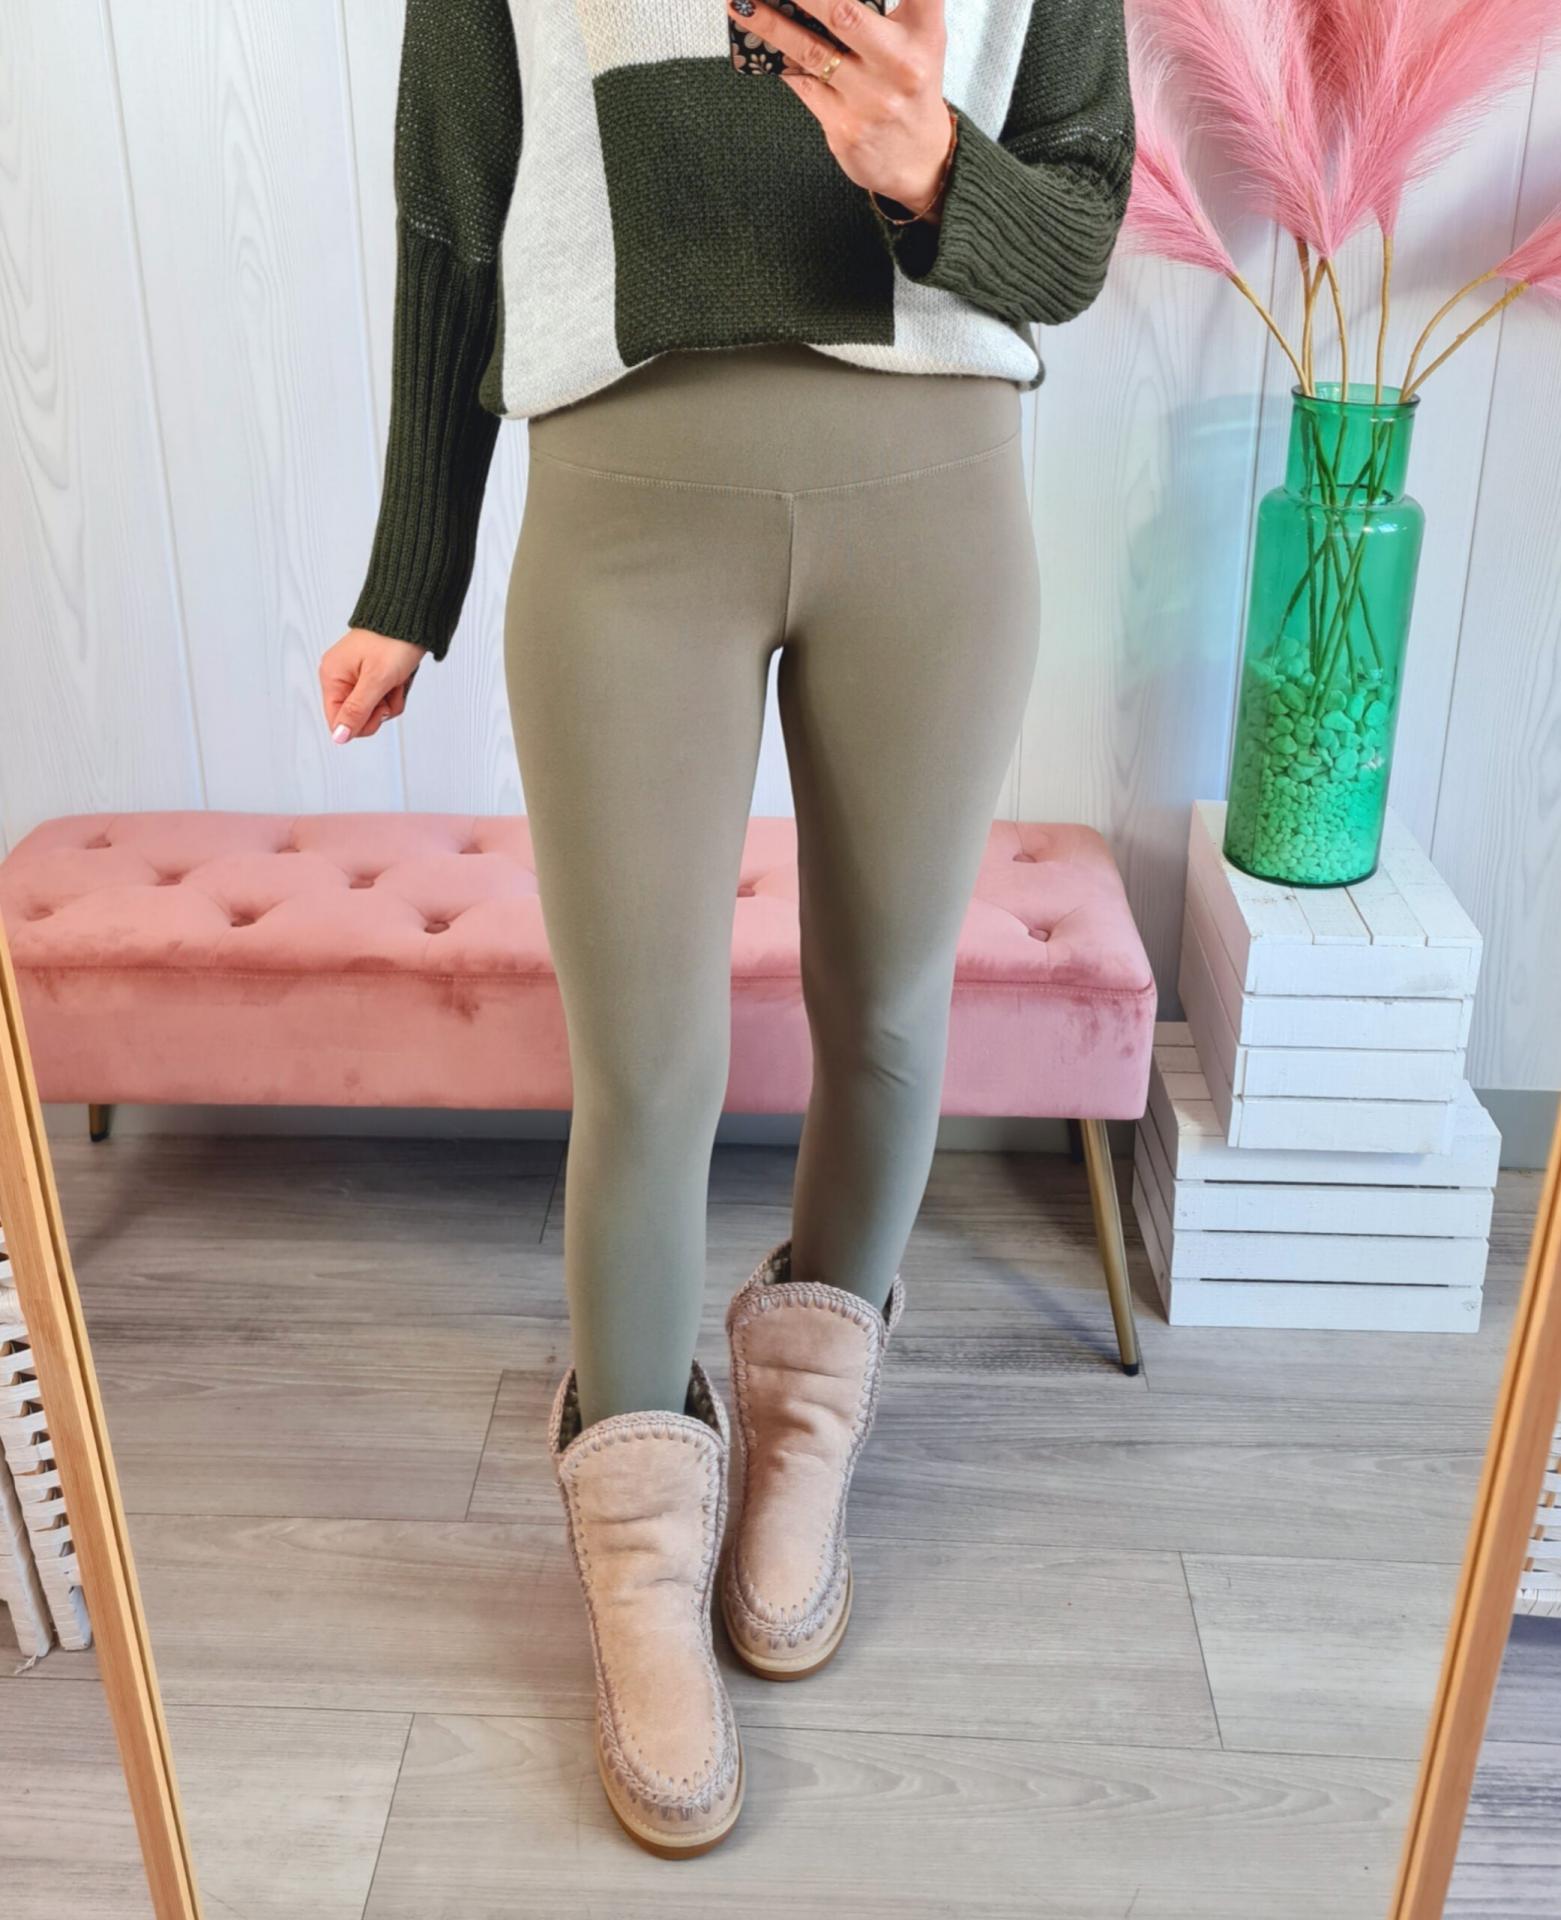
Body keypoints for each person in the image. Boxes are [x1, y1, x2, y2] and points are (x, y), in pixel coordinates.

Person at [320, 0, 1133, 1857]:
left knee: (889, 1015)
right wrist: (409, 575)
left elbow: (1077, 232)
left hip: (935, 502)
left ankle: (805, 1440)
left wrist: (936, 172)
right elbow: (455, 211)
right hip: (622, 510)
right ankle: (634, 1548)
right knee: (646, 1064)